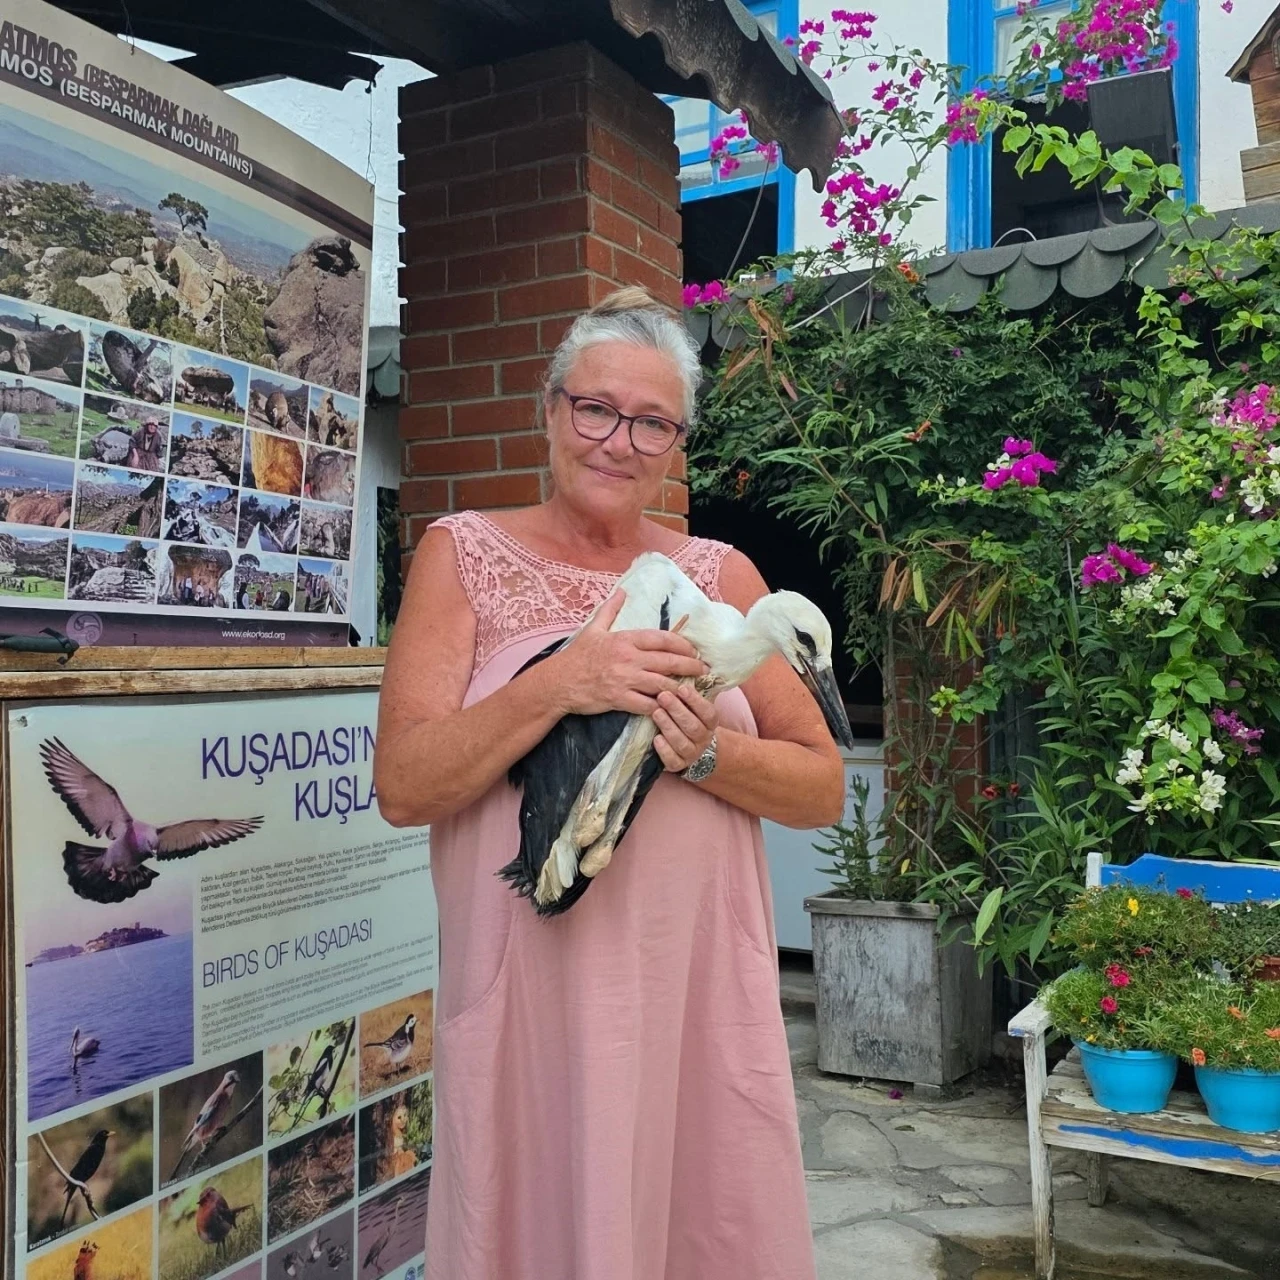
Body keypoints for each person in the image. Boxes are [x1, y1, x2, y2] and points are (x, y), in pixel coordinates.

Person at [375, 286, 845, 1280]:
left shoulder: (725, 578)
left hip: (692, 996)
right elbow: (405, 785)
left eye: (651, 422)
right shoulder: (462, 556)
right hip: (527, 995)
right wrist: (560, 684)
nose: (618, 441)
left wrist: (704, 755)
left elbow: (819, 789)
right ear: (550, 411)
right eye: (595, 408)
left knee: (698, 1225)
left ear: (677, 444)